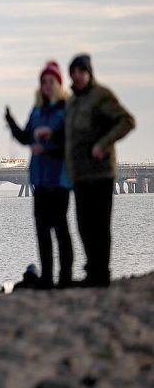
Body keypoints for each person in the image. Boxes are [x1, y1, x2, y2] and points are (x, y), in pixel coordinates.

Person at [65, 54, 135, 288]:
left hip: (101, 173)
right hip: (80, 175)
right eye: (73, 72)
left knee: (100, 225)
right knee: (83, 225)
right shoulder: (73, 102)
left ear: (89, 73)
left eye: (81, 71)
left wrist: (103, 144)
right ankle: (92, 269)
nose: (77, 76)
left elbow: (127, 121)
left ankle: (101, 273)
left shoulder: (101, 96)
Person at [4, 60, 74, 289]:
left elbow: (67, 140)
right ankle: (47, 278)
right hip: (40, 179)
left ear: (59, 83)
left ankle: (64, 278)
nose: (47, 85)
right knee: (42, 231)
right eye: (43, 81)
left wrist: (49, 141)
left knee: (60, 229)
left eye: (51, 81)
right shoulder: (37, 110)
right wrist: (11, 123)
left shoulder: (65, 109)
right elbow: (26, 138)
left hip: (59, 178)